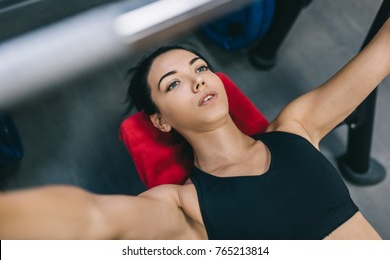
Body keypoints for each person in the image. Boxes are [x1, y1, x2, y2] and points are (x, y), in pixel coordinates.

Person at [0, 18, 389, 240]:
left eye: (201, 68)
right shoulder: (183, 207)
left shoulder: (298, 126)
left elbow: (381, 53)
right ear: (160, 120)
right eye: (173, 83)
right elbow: (93, 218)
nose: (199, 81)